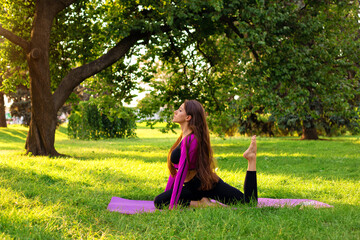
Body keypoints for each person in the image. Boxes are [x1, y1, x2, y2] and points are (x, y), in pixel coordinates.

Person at [154, 100, 258, 209]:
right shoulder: (183, 138)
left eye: (180, 110)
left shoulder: (191, 140)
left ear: (188, 117)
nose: (175, 112)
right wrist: (169, 194)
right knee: (160, 201)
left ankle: (251, 158)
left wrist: (173, 203)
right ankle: (201, 202)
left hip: (205, 184)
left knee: (249, 203)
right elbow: (175, 171)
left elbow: (182, 171)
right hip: (191, 187)